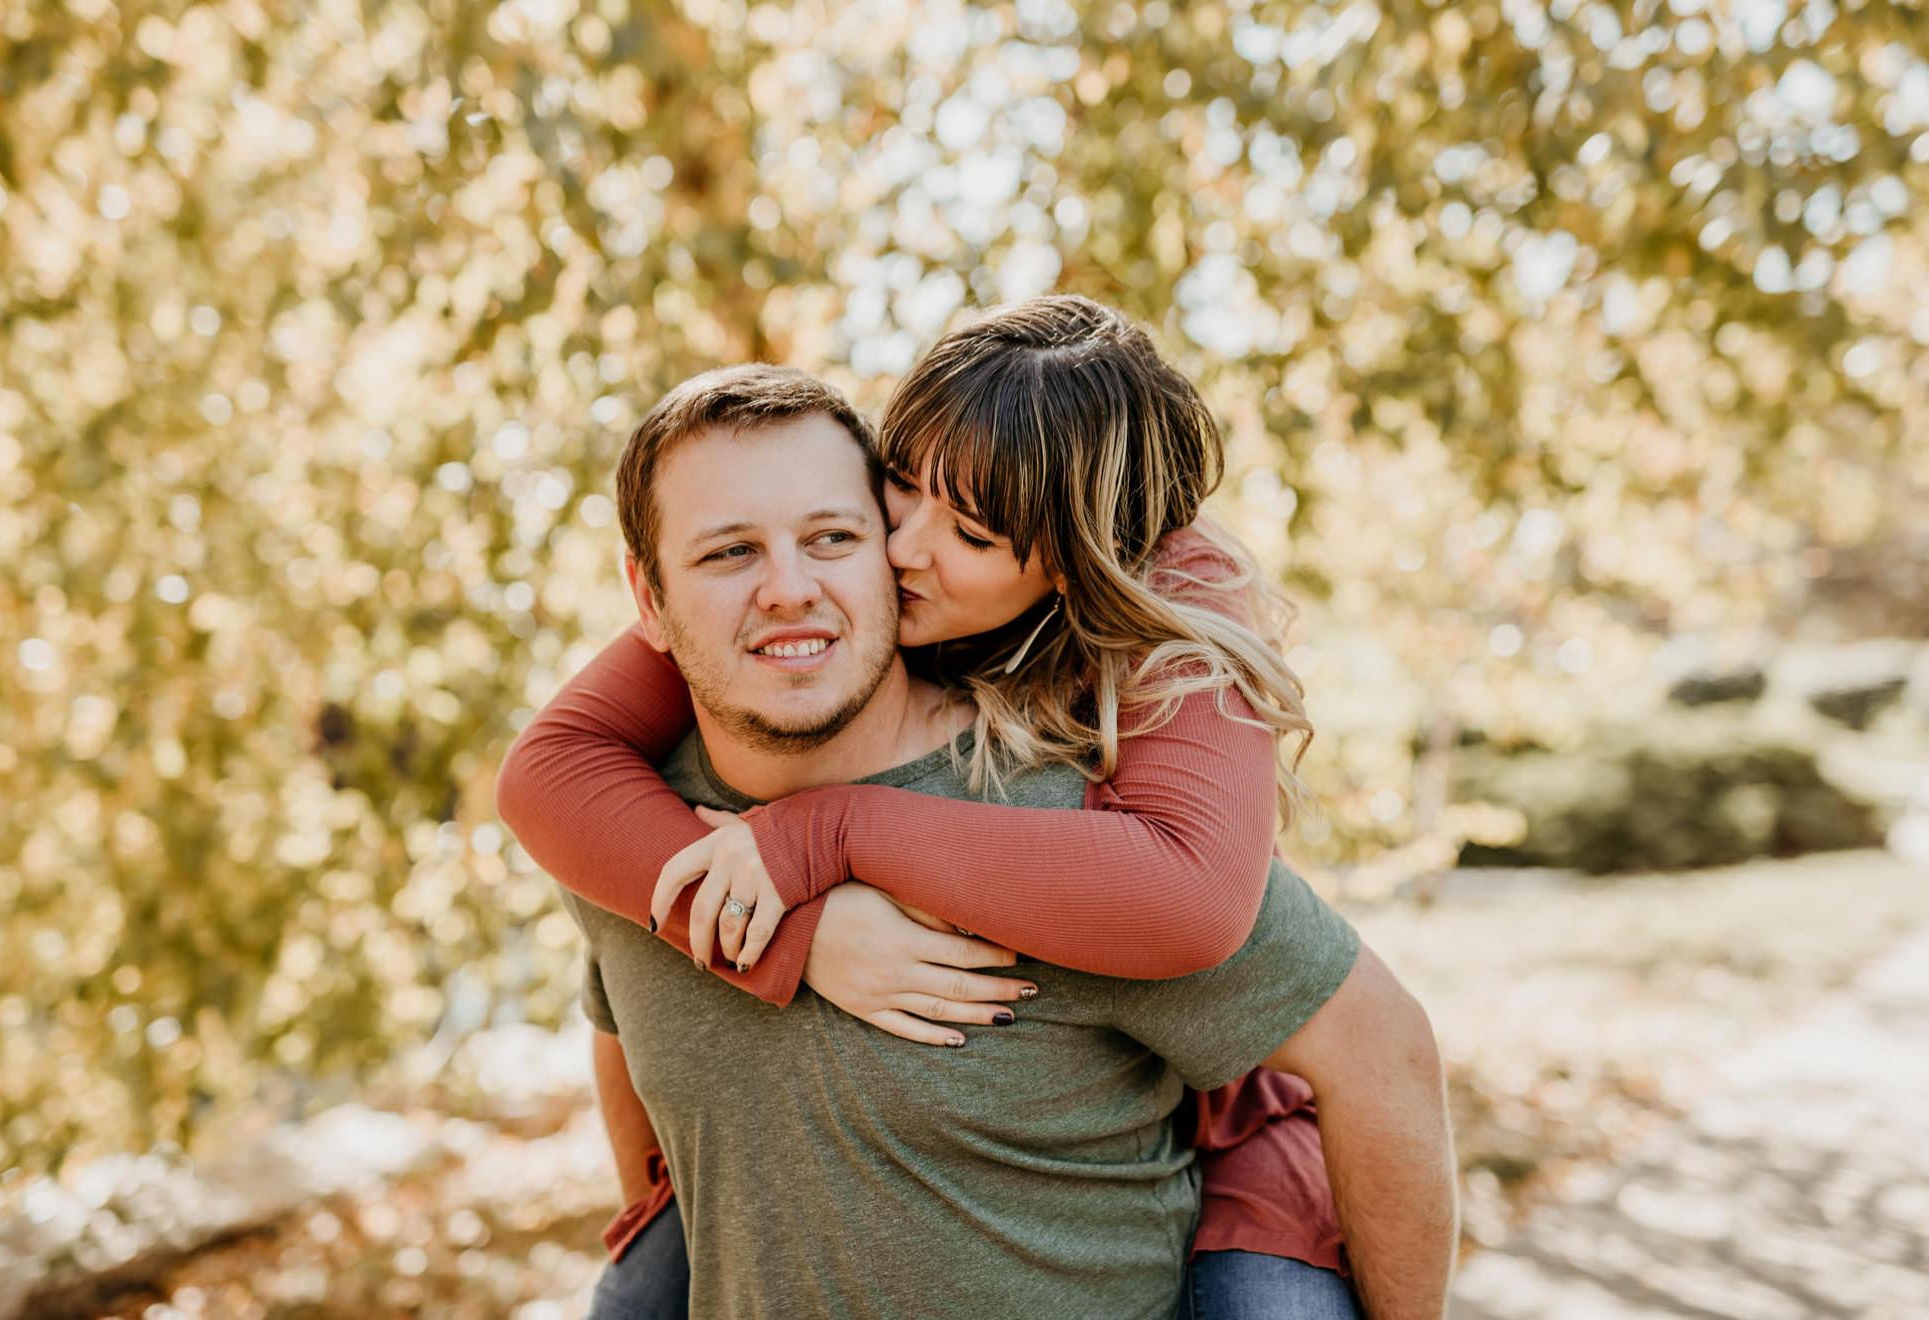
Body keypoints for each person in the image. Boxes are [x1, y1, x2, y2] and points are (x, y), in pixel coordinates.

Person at [498, 307, 1455, 1316]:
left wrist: (831, 834)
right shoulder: (645, 801)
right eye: (896, 493)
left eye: (836, 537)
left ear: (1068, 565)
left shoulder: (1091, 784)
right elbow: (588, 902)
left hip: (1243, 1143)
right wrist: (802, 933)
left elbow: (1301, 987)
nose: (900, 551)